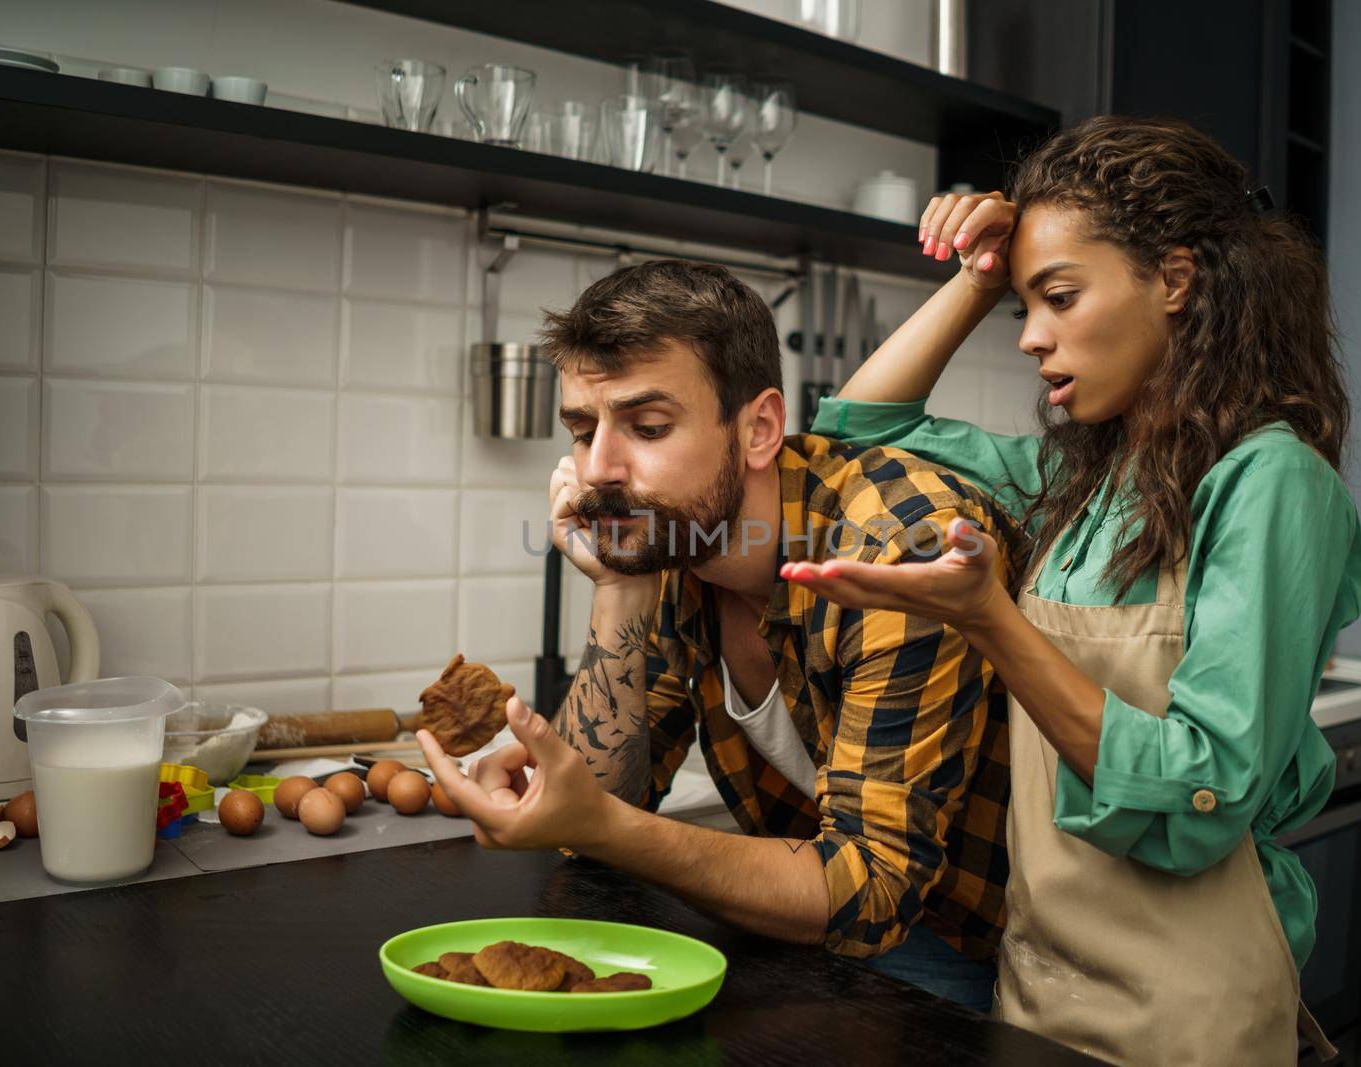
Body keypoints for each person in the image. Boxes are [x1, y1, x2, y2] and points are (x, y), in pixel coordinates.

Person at [781, 116, 1361, 1064]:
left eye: (1059, 296)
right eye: (1025, 309)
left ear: (1175, 281)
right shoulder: (1079, 484)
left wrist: (991, 619)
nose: (1032, 339)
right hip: (1035, 991)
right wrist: (979, 276)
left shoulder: (1272, 482)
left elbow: (1202, 790)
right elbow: (856, 437)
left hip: (1185, 1019)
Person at [417, 259, 1026, 1011]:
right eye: (582, 429)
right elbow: (597, 801)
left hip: (965, 951)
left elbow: (872, 892)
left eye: (646, 426)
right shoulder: (675, 544)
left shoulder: (898, 548)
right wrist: (619, 586)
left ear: (759, 429)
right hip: (802, 933)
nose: (598, 468)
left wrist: (607, 826)